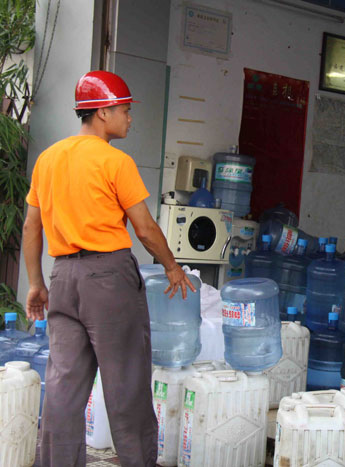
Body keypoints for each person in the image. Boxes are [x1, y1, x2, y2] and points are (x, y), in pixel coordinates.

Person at [22, 71, 195, 466]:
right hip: (109, 279)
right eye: (126, 110)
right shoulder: (115, 161)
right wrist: (172, 266)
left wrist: (36, 283)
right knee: (127, 386)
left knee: (64, 387)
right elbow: (146, 229)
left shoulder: (47, 159)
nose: (130, 119)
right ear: (103, 112)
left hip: (62, 278)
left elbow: (32, 225)